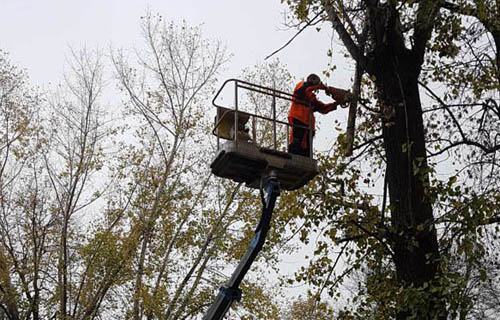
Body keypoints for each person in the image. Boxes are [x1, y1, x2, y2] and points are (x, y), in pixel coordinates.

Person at [288, 73, 347, 157]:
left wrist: (336, 104)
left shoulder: (311, 97)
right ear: (311, 80)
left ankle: (305, 161)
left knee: (307, 148)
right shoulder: (301, 85)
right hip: (298, 118)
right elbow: (302, 91)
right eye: (316, 82)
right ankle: (291, 157)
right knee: (296, 142)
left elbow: (322, 108)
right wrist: (320, 87)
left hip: (309, 125)